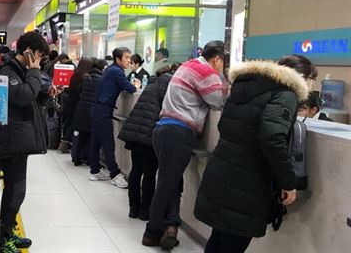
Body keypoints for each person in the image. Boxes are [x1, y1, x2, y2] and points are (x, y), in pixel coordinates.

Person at [194, 55, 315, 253]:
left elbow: (224, 125)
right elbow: (273, 137)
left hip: (222, 171)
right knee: (232, 244)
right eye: (311, 79)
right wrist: (287, 182)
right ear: (300, 76)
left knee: (219, 238)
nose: (311, 85)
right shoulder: (286, 94)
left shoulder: (244, 86)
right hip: (248, 183)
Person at [143, 41, 226, 249]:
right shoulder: (205, 71)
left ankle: (171, 225)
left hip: (163, 129)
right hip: (177, 133)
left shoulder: (188, 65)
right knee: (167, 185)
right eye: (222, 63)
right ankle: (151, 232)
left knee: (171, 183)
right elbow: (219, 101)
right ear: (217, 59)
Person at [0, 31, 54, 253]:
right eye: (39, 54)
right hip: (11, 141)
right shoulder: (8, 70)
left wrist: (46, 94)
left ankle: (9, 231)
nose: (40, 59)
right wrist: (35, 71)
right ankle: (3, 238)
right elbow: (21, 96)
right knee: (14, 191)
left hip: (19, 139)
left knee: (16, 190)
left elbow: (30, 96)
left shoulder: (21, 71)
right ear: (28, 51)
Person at [119, 63, 180, 221]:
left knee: (136, 171)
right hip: (150, 132)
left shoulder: (153, 82)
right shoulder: (171, 84)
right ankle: (145, 211)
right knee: (149, 174)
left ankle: (133, 209)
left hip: (136, 130)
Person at [89, 47, 140, 188]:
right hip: (103, 111)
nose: (129, 60)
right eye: (126, 57)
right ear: (118, 59)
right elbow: (129, 88)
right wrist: (135, 85)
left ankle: (94, 171)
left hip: (98, 109)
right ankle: (115, 174)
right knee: (108, 143)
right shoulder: (117, 72)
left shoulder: (111, 69)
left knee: (96, 142)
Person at [71, 58, 107, 166]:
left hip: (81, 110)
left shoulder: (85, 78)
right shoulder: (102, 80)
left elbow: (78, 91)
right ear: (101, 68)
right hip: (93, 111)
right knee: (91, 137)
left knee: (80, 137)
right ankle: (90, 160)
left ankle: (76, 159)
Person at [59, 58, 93, 153]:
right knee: (73, 124)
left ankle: (64, 143)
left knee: (69, 123)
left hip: (70, 102)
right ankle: (65, 143)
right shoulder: (85, 78)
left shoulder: (74, 75)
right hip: (77, 104)